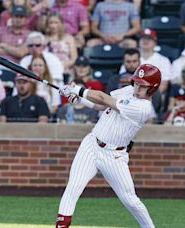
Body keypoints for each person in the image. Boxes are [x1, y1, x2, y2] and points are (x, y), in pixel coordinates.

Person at [55, 64, 161, 228]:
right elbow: (101, 105)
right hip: (91, 144)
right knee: (73, 186)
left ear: (152, 88)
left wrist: (77, 89)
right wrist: (78, 99)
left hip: (114, 155)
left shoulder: (143, 108)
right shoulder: (129, 90)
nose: (137, 87)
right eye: (137, 83)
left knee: (130, 200)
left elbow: (105, 99)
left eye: (143, 85)